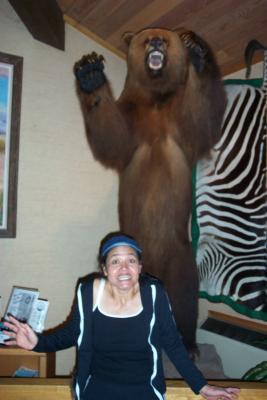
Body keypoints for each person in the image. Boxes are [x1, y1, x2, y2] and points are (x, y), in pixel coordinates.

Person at [3, 232, 240, 400]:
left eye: (131, 261)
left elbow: (173, 344)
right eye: (115, 261)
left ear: (139, 267)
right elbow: (72, 333)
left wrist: (202, 386)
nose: (124, 268)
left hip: (144, 391)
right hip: (95, 389)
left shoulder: (154, 293)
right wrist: (37, 343)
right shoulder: (89, 292)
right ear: (105, 270)